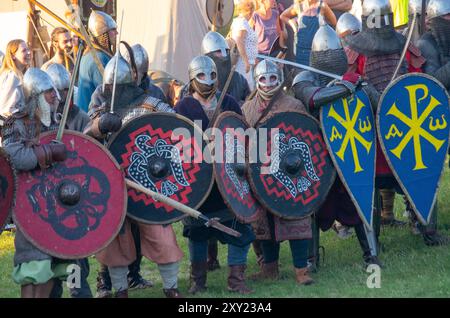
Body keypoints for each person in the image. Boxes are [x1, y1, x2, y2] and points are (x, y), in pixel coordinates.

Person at [345, 0, 450, 247]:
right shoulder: (356, 50)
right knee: (371, 180)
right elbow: (349, 82)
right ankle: (373, 241)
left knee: (422, 169)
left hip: (404, 127)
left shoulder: (405, 46)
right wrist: (370, 93)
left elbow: (420, 81)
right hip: (370, 127)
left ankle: (427, 228)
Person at [85, 54, 183, 298]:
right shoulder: (102, 106)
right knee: (116, 239)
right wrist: (99, 126)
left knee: (160, 233)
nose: (114, 90)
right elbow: (86, 136)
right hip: (113, 182)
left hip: (148, 180)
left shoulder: (152, 103)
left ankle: (171, 287)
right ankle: (120, 289)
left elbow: (176, 126)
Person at [292, 24, 382, 268]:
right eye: (327, 55)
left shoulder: (351, 79)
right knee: (315, 203)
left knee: (360, 197)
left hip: (349, 150)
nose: (332, 59)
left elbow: (376, 105)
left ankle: (371, 255)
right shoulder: (303, 78)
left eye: (336, 54)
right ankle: (312, 258)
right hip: (318, 153)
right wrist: (345, 87)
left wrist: (361, 87)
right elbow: (314, 99)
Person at [175, 56, 255, 295]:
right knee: (197, 232)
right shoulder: (184, 108)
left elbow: (243, 136)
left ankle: (236, 280)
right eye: (201, 76)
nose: (208, 81)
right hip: (198, 181)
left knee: (240, 229)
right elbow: (177, 146)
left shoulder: (229, 102)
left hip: (228, 179)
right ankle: (198, 281)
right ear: (192, 78)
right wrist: (200, 145)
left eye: (211, 75)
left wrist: (225, 143)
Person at [242, 59, 313, 286]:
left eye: (272, 78)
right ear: (256, 81)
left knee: (296, 218)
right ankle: (269, 268)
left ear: (280, 79)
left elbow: (309, 141)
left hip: (292, 173)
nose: (268, 82)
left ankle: (302, 270)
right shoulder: (247, 109)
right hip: (260, 174)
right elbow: (243, 142)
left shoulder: (293, 106)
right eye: (263, 78)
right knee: (265, 224)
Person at [1, 68, 69, 298]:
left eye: (54, 91)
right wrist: (48, 151)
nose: (55, 96)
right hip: (29, 204)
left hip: (58, 203)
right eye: (48, 92)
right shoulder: (16, 123)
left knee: (52, 265)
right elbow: (13, 157)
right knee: (33, 265)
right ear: (35, 95)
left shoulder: (57, 121)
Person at [415, 0, 450, 242]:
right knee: (431, 171)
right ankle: (427, 228)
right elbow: (433, 82)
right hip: (432, 119)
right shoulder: (426, 44)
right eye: (448, 17)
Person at [77, 11, 117, 112]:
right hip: (91, 116)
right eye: (113, 30)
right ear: (103, 35)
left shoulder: (95, 54)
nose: (117, 33)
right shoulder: (98, 58)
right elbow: (108, 94)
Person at [281, 0, 336, 66]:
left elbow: (334, 22)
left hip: (318, 52)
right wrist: (293, 25)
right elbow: (283, 16)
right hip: (301, 52)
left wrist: (324, 30)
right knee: (302, 74)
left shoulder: (322, 5)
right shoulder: (298, 6)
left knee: (317, 75)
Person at [201, 32, 250, 105]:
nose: (223, 56)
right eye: (218, 51)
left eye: (226, 51)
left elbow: (248, 106)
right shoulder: (199, 82)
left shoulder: (240, 80)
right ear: (208, 55)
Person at [231, 0, 259, 89]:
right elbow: (239, 41)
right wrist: (246, 61)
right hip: (242, 64)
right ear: (250, 10)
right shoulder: (241, 22)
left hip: (247, 63)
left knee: (247, 88)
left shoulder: (242, 22)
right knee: (247, 89)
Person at [0, 40, 31, 117]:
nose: (29, 52)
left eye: (28, 49)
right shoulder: (12, 76)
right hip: (10, 126)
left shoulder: (21, 74)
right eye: (24, 50)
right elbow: (5, 110)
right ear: (13, 55)